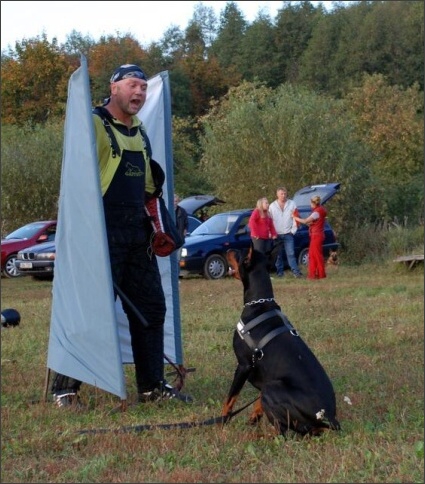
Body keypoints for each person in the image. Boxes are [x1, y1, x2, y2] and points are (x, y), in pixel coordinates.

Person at [51, 64, 191, 408]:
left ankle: (152, 386)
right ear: (114, 88)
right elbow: (77, 179)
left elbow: (145, 188)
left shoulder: (140, 133)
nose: (140, 93)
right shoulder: (93, 124)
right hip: (99, 231)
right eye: (132, 85)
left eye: (143, 87)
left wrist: (161, 219)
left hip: (136, 233)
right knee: (90, 309)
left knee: (152, 307)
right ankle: (64, 389)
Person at [268, 187, 303, 278]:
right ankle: (280, 273)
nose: (283, 196)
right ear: (277, 195)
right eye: (281, 194)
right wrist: (272, 233)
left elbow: (296, 218)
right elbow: (269, 221)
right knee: (278, 255)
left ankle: (296, 272)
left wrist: (293, 231)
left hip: (288, 233)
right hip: (277, 234)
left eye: (284, 193)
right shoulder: (272, 206)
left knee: (291, 253)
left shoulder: (292, 204)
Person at [293, 195, 327, 280]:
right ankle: (315, 274)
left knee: (316, 255)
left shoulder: (316, 212)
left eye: (310, 203)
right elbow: (314, 222)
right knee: (312, 254)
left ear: (313, 203)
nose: (310, 205)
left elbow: (305, 221)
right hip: (318, 234)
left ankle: (319, 274)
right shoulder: (321, 210)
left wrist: (295, 217)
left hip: (316, 235)